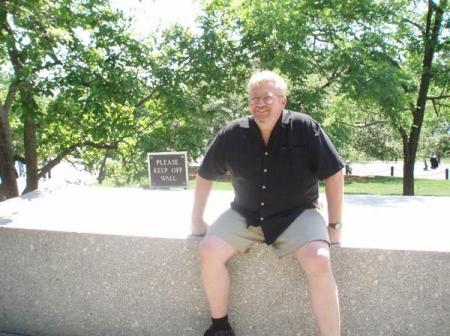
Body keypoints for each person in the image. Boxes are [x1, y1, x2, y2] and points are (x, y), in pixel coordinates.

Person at [191, 70, 344, 336]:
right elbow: (205, 174)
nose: (260, 103)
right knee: (208, 250)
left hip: (297, 214)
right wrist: (196, 219)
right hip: (245, 214)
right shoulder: (232, 133)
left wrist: (335, 224)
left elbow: (334, 172)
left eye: (267, 97)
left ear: (282, 101)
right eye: (254, 98)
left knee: (320, 259)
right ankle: (220, 328)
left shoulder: (305, 127)